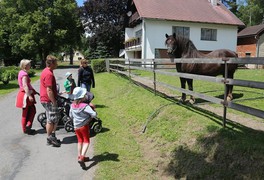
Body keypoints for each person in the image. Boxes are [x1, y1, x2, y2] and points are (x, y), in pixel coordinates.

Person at [69, 87, 96, 169]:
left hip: (76, 126)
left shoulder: (72, 105)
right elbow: (94, 114)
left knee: (80, 141)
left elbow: (71, 115)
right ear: (82, 97)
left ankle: (79, 156)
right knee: (86, 141)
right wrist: (91, 116)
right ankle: (82, 157)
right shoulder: (85, 106)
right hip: (84, 126)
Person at [40, 55, 61, 147]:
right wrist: (54, 101)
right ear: (51, 63)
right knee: (52, 120)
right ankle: (50, 138)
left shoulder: (46, 71)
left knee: (52, 118)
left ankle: (51, 137)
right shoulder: (49, 74)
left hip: (46, 99)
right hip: (48, 100)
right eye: (56, 62)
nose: (57, 64)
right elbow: (49, 90)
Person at [16, 59, 38, 135]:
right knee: (30, 111)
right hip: (25, 95)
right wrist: (29, 95)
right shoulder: (24, 75)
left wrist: (33, 91)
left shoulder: (21, 72)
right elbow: (25, 85)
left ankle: (27, 127)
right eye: (29, 64)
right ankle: (27, 127)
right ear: (25, 66)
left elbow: (27, 85)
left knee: (28, 111)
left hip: (25, 94)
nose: (30, 65)